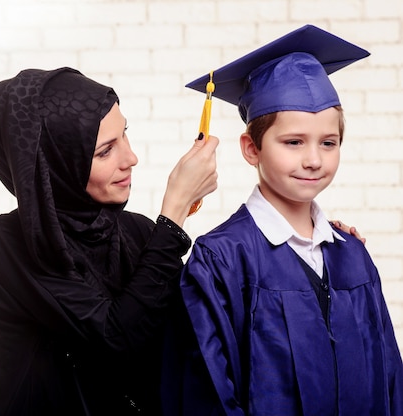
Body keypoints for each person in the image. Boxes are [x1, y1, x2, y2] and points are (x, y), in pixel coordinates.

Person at [165, 25, 403, 415]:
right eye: (293, 142)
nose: (313, 159)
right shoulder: (221, 260)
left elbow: (390, 381)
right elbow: (206, 394)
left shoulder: (353, 256)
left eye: (329, 142)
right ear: (251, 148)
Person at [0, 67, 219, 415]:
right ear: (55, 165)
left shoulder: (137, 232)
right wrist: (174, 212)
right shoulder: (10, 244)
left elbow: (195, 329)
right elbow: (116, 337)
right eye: (105, 151)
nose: (130, 158)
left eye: (125, 135)